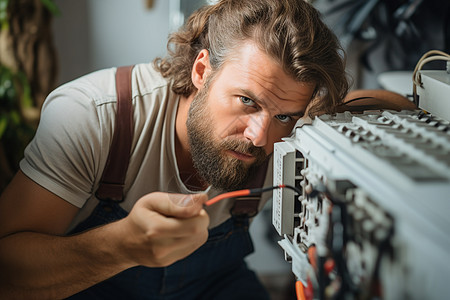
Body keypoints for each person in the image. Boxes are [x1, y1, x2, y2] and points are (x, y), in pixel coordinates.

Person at [0, 0, 415, 299]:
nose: (259, 137)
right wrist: (121, 245)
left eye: (285, 116)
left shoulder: (286, 128)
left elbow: (396, 107)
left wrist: (312, 114)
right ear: (201, 71)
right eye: (247, 101)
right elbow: (7, 272)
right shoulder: (94, 114)